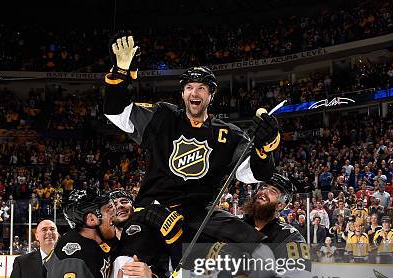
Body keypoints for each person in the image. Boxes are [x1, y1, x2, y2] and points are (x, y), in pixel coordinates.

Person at [103, 35, 281, 251]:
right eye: (189, 87)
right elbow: (116, 112)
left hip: (200, 213)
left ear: (211, 95)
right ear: (183, 93)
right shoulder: (163, 116)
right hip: (154, 208)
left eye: (201, 88)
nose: (194, 93)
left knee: (258, 247)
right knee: (133, 262)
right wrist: (120, 74)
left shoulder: (229, 134)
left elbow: (249, 175)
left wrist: (265, 148)